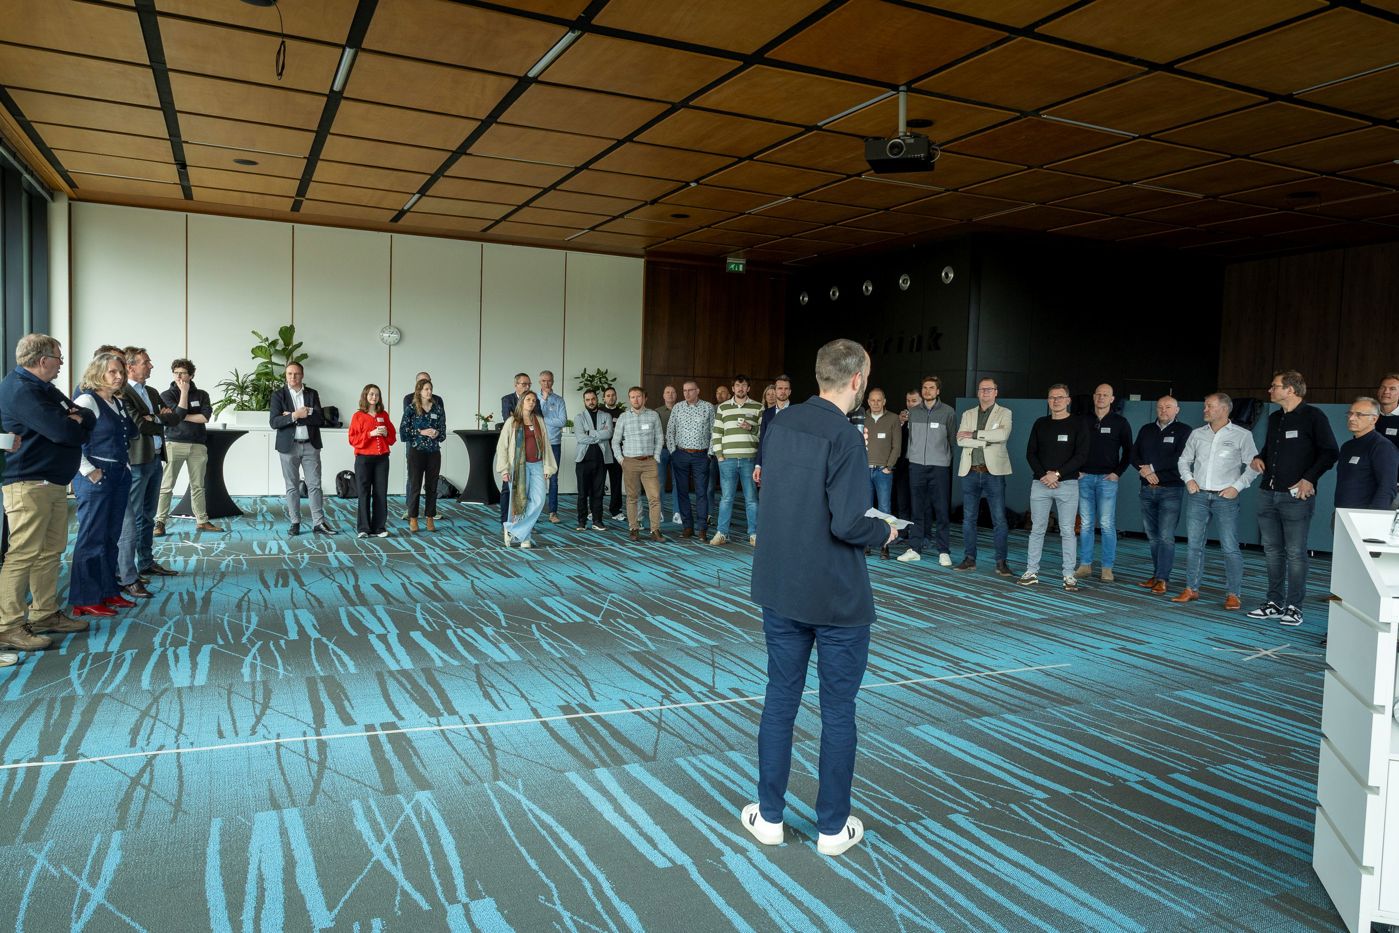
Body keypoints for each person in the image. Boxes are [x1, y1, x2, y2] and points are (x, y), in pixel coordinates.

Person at [743, 338, 895, 858]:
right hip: (835, 597)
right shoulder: (846, 439)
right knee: (838, 710)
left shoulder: (779, 424)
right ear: (857, 380)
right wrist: (888, 534)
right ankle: (832, 828)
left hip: (782, 587)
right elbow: (851, 522)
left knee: (780, 700)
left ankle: (769, 817)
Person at [0, 333, 95, 656]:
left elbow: (84, 418)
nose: (61, 365)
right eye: (58, 358)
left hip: (51, 482)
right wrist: (72, 422)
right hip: (28, 482)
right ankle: (8, 626)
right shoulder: (20, 390)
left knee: (50, 551)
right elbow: (63, 431)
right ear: (43, 361)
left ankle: (43, 613)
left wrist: (76, 419)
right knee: (23, 553)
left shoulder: (44, 389)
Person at [1246, 370, 1338, 627]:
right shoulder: (1275, 417)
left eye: (1274, 386)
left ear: (1290, 390)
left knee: (1296, 553)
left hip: (1296, 496)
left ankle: (1294, 606)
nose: (1270, 390)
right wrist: (1258, 457)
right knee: (1272, 551)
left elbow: (1330, 452)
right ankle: (1273, 602)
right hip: (1268, 492)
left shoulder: (1314, 417)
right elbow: (1270, 449)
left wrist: (1310, 478)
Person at [1174, 393, 1258, 610]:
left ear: (1224, 409)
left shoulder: (1242, 435)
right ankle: (1191, 588)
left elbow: (1254, 466)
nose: (1205, 410)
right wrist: (1189, 480)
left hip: (1225, 499)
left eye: (1209, 406)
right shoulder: (1197, 434)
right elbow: (1184, 460)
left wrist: (1237, 487)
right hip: (1198, 496)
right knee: (1194, 546)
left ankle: (1233, 594)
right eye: (1205, 406)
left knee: (1229, 547)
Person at [68, 352, 137, 618]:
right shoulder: (87, 400)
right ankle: (85, 598)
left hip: (119, 473)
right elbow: (72, 439)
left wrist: (126, 467)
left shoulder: (117, 402)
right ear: (98, 372)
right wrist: (88, 471)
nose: (119, 376)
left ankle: (107, 590)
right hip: (97, 474)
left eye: (121, 371)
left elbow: (125, 437)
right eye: (112, 372)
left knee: (111, 537)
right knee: (91, 538)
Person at [117, 347, 185, 593]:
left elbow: (174, 419)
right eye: (146, 362)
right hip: (137, 461)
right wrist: (158, 418)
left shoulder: (153, 392)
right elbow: (138, 426)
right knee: (132, 518)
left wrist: (155, 418)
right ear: (131, 367)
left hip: (156, 458)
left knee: (148, 515)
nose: (151, 366)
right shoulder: (122, 393)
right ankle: (127, 571)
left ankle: (145, 562)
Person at [1020, 384, 1089, 590]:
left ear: (1068, 400)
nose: (1055, 401)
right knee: (1037, 529)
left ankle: (1069, 575)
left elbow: (1081, 455)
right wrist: (1044, 475)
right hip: (1040, 484)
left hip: (1067, 483)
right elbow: (1030, 453)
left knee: (1067, 530)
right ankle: (1031, 571)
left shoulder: (1078, 424)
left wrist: (1056, 474)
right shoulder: (1040, 423)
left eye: (1060, 397)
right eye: (1051, 397)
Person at [1130, 396, 1193, 595]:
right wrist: (1146, 472)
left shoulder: (1184, 431)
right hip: (1147, 489)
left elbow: (1180, 458)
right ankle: (1157, 574)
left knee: (1166, 537)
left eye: (1168, 407)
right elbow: (1134, 455)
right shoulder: (1146, 429)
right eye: (1160, 407)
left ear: (1177, 410)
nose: (1163, 410)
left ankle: (1163, 579)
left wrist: (1153, 468)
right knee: (1152, 536)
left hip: (1171, 490)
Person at [154, 358, 221, 536]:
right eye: (176, 373)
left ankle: (202, 521)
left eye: (183, 373)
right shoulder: (166, 395)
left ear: (191, 375)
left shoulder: (202, 394)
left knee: (198, 486)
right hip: (174, 443)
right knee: (167, 486)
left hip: (198, 445)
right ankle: (160, 522)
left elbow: (204, 418)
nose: (179, 376)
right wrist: (183, 395)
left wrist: (178, 415)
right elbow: (180, 414)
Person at [955, 377, 1013, 576]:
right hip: (970, 471)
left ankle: (1001, 562)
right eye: (982, 389)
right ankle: (969, 559)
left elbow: (1002, 436)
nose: (985, 392)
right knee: (968, 519)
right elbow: (960, 441)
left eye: (989, 389)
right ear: (978, 392)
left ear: (996, 392)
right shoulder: (968, 413)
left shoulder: (1004, 412)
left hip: (993, 473)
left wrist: (974, 435)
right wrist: (985, 439)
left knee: (999, 519)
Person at [1074, 384, 1132, 582]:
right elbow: (1074, 447)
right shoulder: (1083, 420)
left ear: (1112, 399)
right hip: (1085, 478)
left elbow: (1129, 451)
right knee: (1087, 523)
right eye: (1098, 394)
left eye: (1105, 395)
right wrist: (1077, 470)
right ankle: (1085, 565)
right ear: (1093, 397)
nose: (1101, 397)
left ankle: (1107, 567)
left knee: (1107, 524)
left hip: (1108, 479)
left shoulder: (1120, 422)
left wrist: (1118, 473)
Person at [269, 362, 335, 536]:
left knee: (315, 485)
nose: (293, 377)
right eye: (289, 374)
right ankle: (295, 522)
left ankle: (318, 523)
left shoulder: (312, 394)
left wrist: (292, 417)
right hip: (287, 447)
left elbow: (320, 419)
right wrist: (296, 415)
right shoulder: (278, 395)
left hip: (310, 445)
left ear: (302, 375)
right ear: (286, 375)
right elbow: (274, 422)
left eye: (296, 374)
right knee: (291, 486)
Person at [899, 376, 956, 565]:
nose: (927, 391)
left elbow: (952, 440)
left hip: (939, 466)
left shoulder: (948, 412)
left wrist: (945, 459)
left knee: (940, 509)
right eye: (924, 387)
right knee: (917, 509)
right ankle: (914, 548)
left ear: (938, 391)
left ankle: (943, 550)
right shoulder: (913, 412)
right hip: (916, 466)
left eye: (931, 388)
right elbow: (910, 439)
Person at [494, 390, 556, 548]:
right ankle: (524, 537)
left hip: (537, 465)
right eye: (528, 399)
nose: (531, 402)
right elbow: (503, 446)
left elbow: (546, 445)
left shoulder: (539, 421)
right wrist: (504, 469)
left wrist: (548, 466)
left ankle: (512, 529)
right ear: (522, 401)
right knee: (520, 502)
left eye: (534, 400)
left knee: (539, 500)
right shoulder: (512, 421)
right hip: (518, 467)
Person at [711, 375, 762, 547]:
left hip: (749, 459)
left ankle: (754, 534)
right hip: (727, 460)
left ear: (748, 388)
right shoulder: (723, 408)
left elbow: (763, 434)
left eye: (744, 385)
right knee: (726, 498)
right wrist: (719, 456)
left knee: (751, 499)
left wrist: (751, 427)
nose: (740, 388)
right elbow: (717, 433)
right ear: (733, 388)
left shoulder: (758, 407)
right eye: (737, 385)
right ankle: (722, 533)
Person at [612, 386, 666, 542]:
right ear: (629, 399)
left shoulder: (653, 415)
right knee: (632, 497)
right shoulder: (623, 417)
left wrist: (656, 457)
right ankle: (634, 528)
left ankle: (655, 530)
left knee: (654, 497)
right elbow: (615, 442)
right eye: (632, 397)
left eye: (639, 396)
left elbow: (659, 438)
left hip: (649, 462)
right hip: (630, 462)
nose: (636, 399)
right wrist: (621, 460)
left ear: (645, 398)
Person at [666, 380, 715, 540]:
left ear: (698, 391)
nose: (687, 393)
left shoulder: (708, 407)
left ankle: (702, 528)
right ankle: (687, 526)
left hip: (701, 456)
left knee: (702, 492)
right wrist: (673, 452)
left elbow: (714, 431)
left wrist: (710, 453)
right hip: (681, 455)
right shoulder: (678, 408)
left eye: (690, 390)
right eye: (684, 390)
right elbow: (670, 431)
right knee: (682, 492)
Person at [348, 384, 396, 538]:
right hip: (363, 459)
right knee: (363, 493)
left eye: (376, 394)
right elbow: (352, 439)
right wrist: (370, 433)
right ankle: (363, 528)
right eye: (370, 394)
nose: (374, 397)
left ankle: (379, 527)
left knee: (380, 493)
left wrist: (386, 432)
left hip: (382, 459)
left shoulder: (384, 415)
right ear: (365, 396)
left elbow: (392, 438)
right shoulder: (358, 416)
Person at [1335, 397, 1399, 510]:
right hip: (1342, 512)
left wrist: (1373, 517)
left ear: (1374, 419)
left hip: (1365, 515)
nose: (1352, 418)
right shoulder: (1347, 447)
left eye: (1359, 414)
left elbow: (1388, 487)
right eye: (1350, 413)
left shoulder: (1382, 447)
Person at [401, 377, 444, 532]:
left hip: (433, 452)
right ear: (419, 391)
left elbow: (443, 432)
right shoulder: (412, 408)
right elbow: (403, 433)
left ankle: (430, 518)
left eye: (430, 389)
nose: (429, 392)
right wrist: (421, 432)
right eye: (426, 389)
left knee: (432, 487)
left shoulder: (437, 409)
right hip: (416, 452)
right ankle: (413, 518)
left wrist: (437, 433)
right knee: (415, 485)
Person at [863, 388, 900, 559]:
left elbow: (897, 446)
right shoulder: (862, 418)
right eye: (872, 400)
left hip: (883, 471)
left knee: (885, 509)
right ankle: (866, 544)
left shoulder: (893, 418)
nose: (876, 403)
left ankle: (886, 545)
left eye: (879, 400)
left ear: (884, 401)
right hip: (864, 470)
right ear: (868, 401)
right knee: (866, 509)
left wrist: (889, 466)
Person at [573, 389, 613, 531]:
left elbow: (608, 434)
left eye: (593, 399)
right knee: (582, 493)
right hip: (583, 460)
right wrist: (598, 436)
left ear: (597, 400)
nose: (591, 402)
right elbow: (580, 437)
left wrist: (590, 433)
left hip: (601, 460)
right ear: (584, 401)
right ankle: (582, 522)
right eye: (588, 399)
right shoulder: (579, 418)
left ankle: (597, 521)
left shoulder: (606, 415)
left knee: (598, 492)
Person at [499, 373, 531, 526]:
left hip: (529, 449)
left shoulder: (532, 400)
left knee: (526, 490)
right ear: (516, 385)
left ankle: (524, 522)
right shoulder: (507, 399)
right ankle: (505, 521)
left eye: (528, 384)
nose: (527, 387)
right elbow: (510, 421)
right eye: (524, 384)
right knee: (508, 489)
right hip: (513, 448)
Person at [537, 370, 568, 524]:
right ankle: (534, 511)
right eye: (543, 381)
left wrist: (544, 419)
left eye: (549, 381)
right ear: (539, 382)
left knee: (553, 479)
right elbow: (535, 417)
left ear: (553, 381)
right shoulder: (534, 398)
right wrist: (543, 400)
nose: (546, 384)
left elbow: (562, 422)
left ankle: (553, 512)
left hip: (554, 443)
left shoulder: (559, 400)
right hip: (537, 443)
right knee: (536, 478)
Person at [752, 374, 792, 486]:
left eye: (786, 389)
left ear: (790, 392)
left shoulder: (797, 412)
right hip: (771, 463)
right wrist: (758, 465)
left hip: (791, 464)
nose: (783, 391)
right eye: (780, 388)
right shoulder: (767, 414)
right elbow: (763, 440)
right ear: (775, 390)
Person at [891, 390, 919, 525]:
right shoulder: (902, 418)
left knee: (919, 502)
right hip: (903, 466)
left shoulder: (925, 418)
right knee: (902, 501)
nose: (910, 404)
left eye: (914, 401)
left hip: (920, 465)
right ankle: (902, 532)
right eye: (908, 401)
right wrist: (899, 423)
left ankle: (920, 535)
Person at [653, 384, 678, 522]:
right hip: (661, 451)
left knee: (678, 483)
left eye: (673, 392)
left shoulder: (682, 410)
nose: (670, 394)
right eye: (667, 392)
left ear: (676, 395)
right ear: (663, 395)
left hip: (678, 452)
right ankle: (659, 512)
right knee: (660, 483)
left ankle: (677, 513)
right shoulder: (656, 412)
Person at [600, 385, 625, 520]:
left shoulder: (622, 413)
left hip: (616, 452)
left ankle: (616, 510)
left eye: (613, 395)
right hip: (602, 451)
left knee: (616, 482)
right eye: (608, 395)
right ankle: (595, 509)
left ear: (616, 397)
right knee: (598, 482)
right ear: (604, 398)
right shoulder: (599, 412)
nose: (611, 397)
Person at [1377, 373, 1399, 507]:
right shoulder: (1368, 416)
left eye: (1392, 389)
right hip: (1368, 485)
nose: (1386, 392)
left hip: (1395, 487)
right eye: (1383, 387)